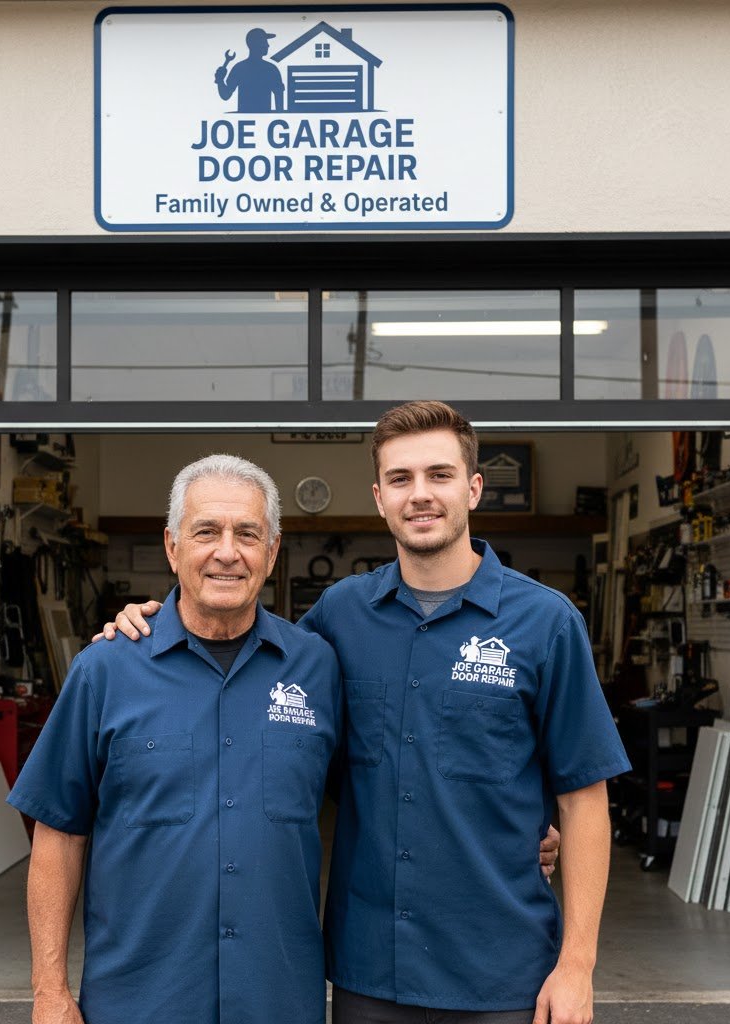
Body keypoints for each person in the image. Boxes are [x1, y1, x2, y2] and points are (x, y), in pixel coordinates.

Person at [99, 401, 627, 1024]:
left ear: (474, 488)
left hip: (503, 972)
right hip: (368, 974)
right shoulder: (338, 617)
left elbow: (584, 799)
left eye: (440, 475)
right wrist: (151, 624)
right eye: (401, 479)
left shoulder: (546, 623)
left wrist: (577, 965)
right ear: (379, 497)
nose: (420, 495)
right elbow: (249, 670)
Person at [9, 455, 342, 1024]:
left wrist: (530, 832)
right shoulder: (106, 669)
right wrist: (49, 991)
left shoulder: (317, 667)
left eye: (247, 534)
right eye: (206, 531)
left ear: (273, 551)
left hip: (278, 998)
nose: (227, 552)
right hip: (140, 1000)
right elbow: (58, 834)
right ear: (171, 546)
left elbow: (386, 789)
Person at [216, 27, 284, 113]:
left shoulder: (239, 68)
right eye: (264, 42)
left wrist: (220, 80)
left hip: (262, 121)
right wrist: (220, 80)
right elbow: (225, 96)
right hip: (248, 121)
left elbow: (225, 95)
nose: (267, 45)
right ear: (254, 44)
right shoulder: (271, 69)